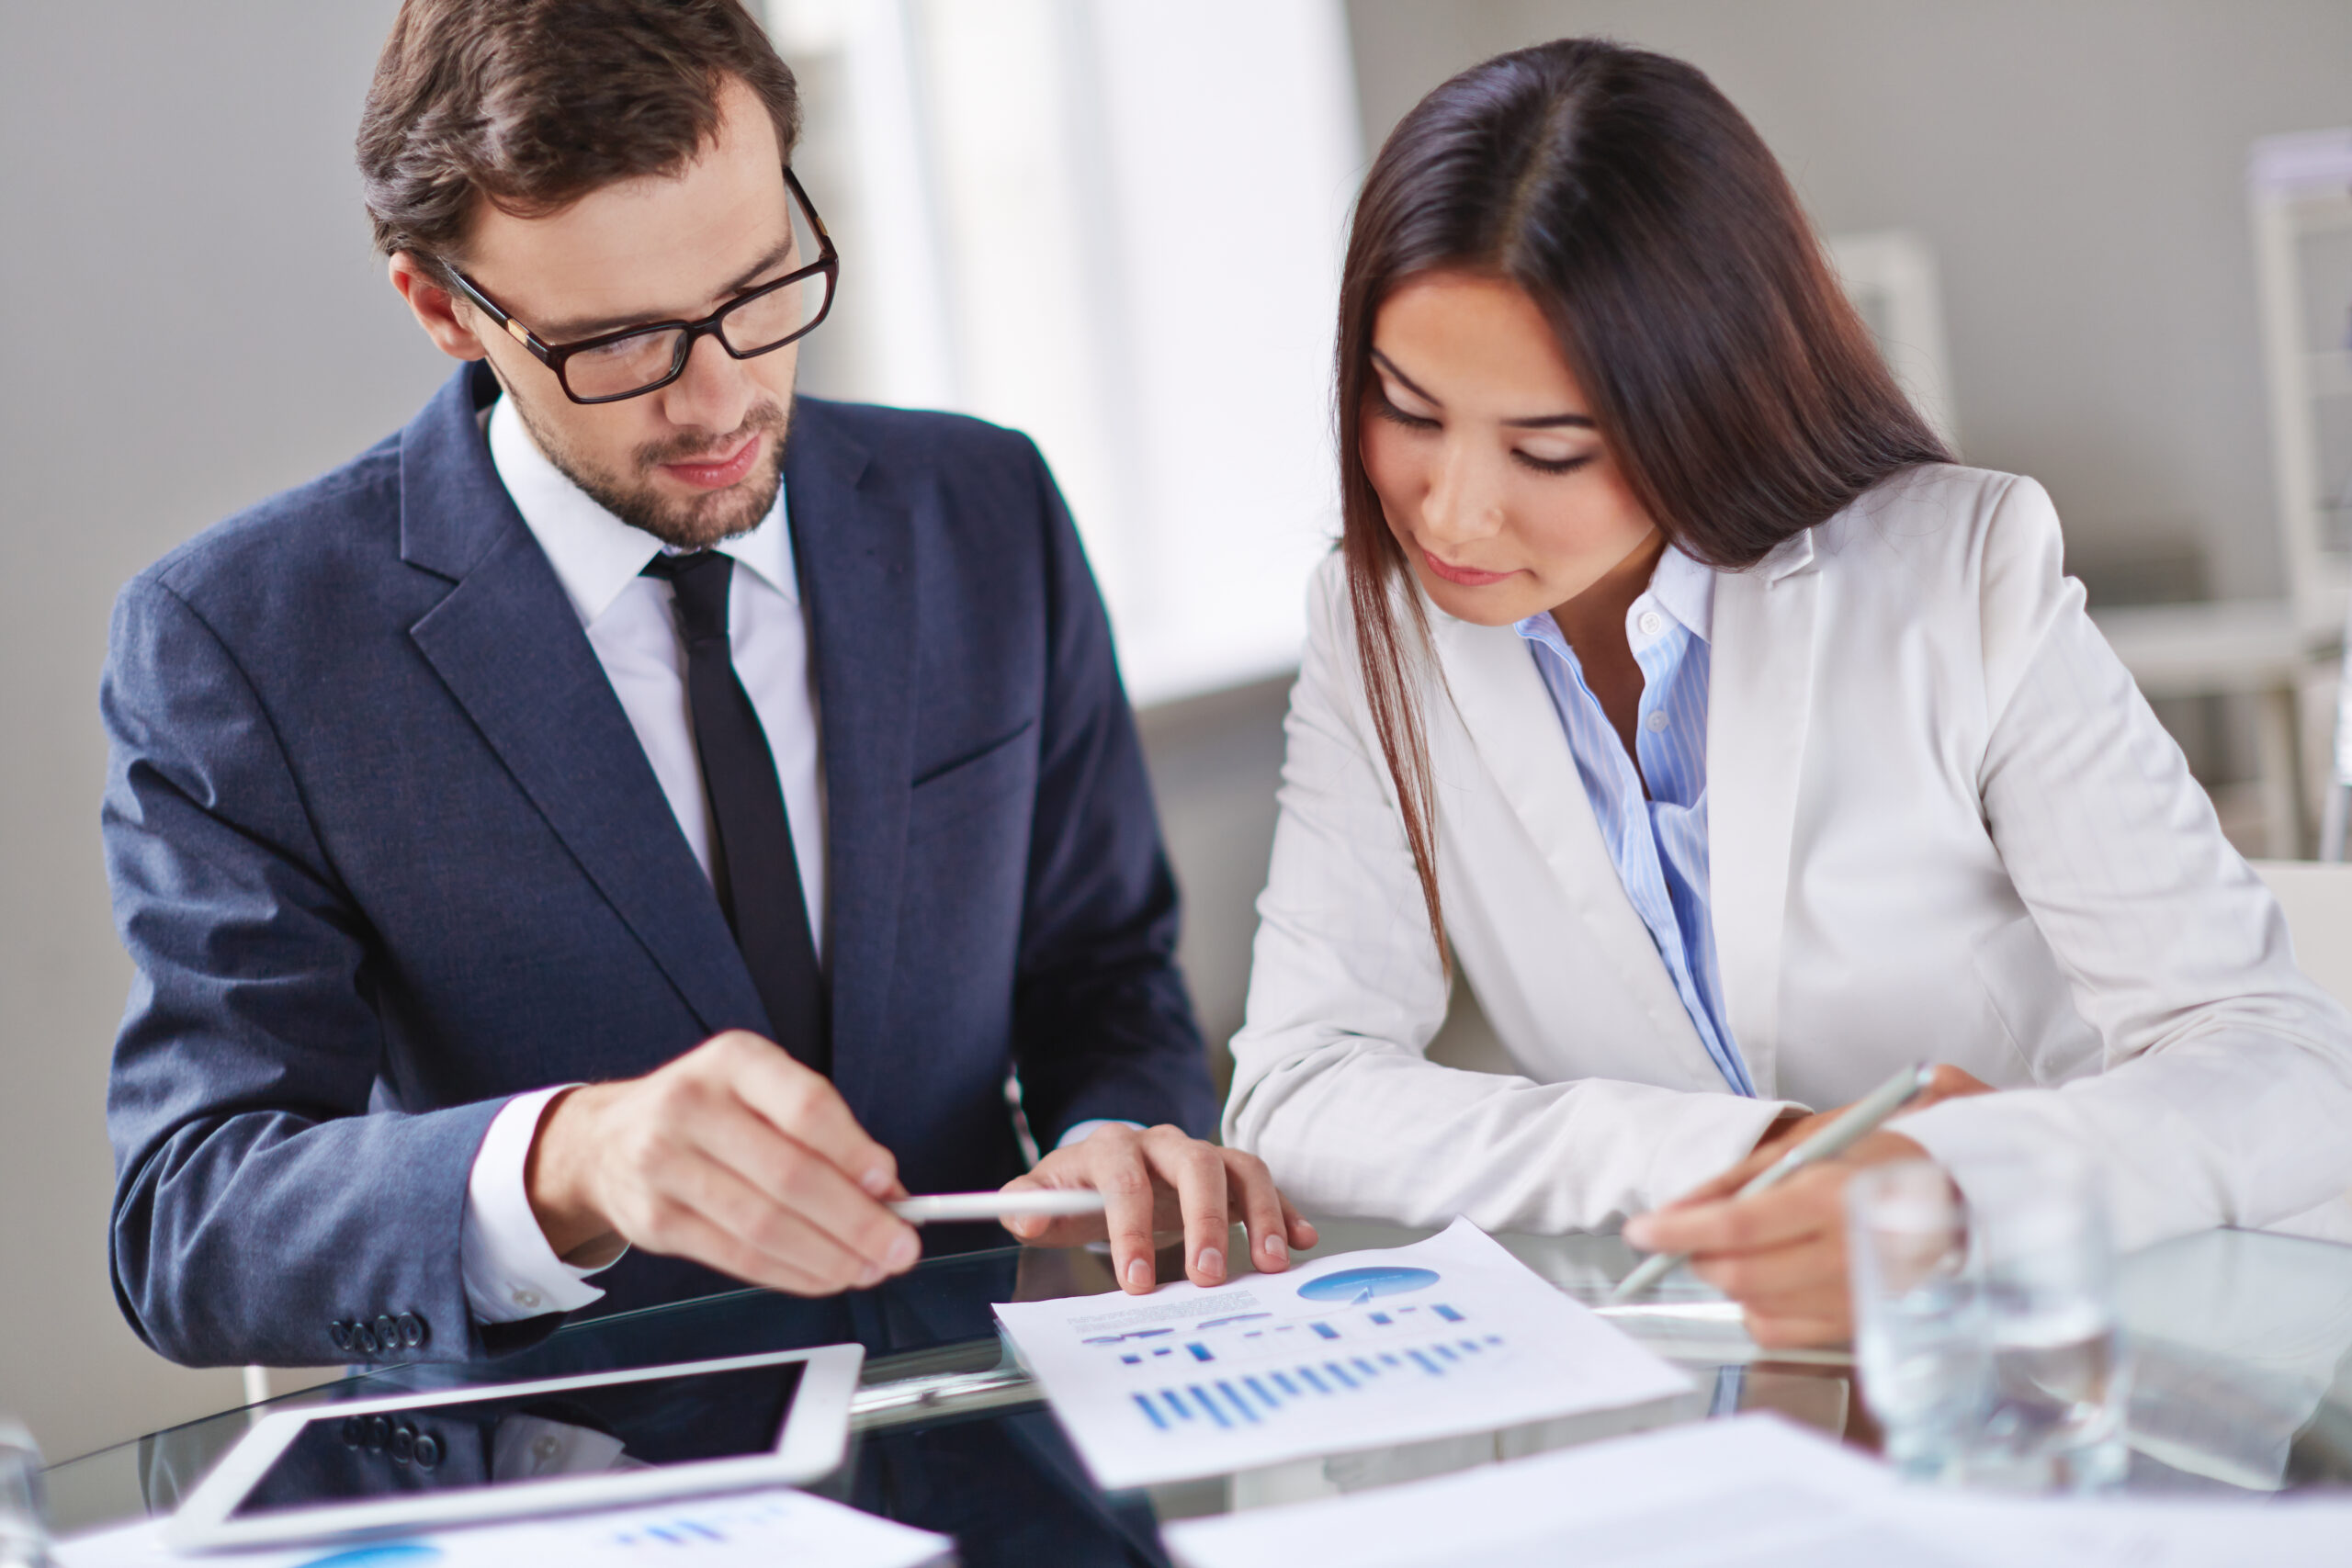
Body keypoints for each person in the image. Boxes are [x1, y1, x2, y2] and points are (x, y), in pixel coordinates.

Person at [102, 0, 1309, 1371]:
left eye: (757, 289)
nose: (721, 400)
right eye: (618, 341)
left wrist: (1117, 1131)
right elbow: (187, 1223)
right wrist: (571, 1160)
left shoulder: (987, 508)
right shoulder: (243, 644)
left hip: (1006, 1432)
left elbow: (1106, 977)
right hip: (576, 1482)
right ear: (443, 306)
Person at [1223, 38, 2352, 1347]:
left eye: (1550, 447)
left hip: (2082, 1360)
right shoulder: (1374, 628)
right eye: (1406, 409)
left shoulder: (1960, 572)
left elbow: (2280, 1066)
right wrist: (1760, 1153)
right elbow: (1301, 1089)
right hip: (1717, 1382)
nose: (1454, 508)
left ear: (1701, 403)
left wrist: (1965, 1189)